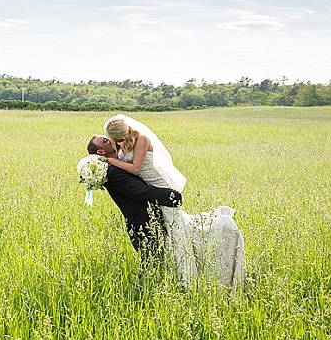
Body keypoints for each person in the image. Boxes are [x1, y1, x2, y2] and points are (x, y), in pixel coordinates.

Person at [102, 114, 246, 291]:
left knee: (177, 234)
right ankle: (173, 277)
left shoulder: (142, 139)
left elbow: (135, 168)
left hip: (159, 189)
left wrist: (111, 161)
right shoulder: (123, 145)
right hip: (149, 194)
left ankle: (189, 280)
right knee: (168, 237)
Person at [85, 135, 183, 264]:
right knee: (152, 263)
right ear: (101, 152)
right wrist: (173, 196)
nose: (110, 139)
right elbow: (142, 192)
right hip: (142, 223)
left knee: (159, 261)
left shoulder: (118, 164)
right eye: (105, 141)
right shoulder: (113, 173)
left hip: (147, 220)